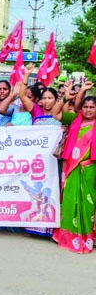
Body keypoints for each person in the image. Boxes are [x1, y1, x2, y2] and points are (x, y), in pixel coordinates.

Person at [52, 96, 96, 253]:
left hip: (89, 170)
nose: (88, 110)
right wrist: (65, 98)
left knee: (88, 204)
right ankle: (68, 237)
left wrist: (88, 164)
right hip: (71, 168)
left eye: (92, 107)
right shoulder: (75, 120)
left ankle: (86, 238)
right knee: (69, 201)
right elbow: (55, 113)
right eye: (86, 107)